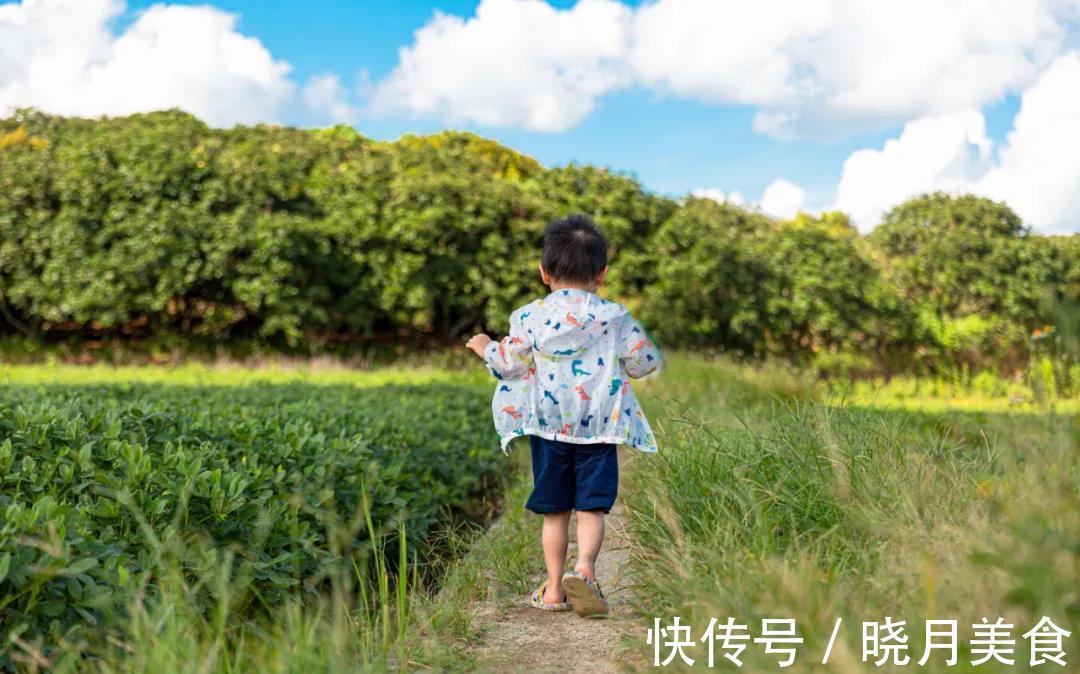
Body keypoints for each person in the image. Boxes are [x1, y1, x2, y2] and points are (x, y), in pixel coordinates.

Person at [465, 213, 662, 618]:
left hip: (549, 427)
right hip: (599, 426)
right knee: (591, 507)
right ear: (602, 274)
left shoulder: (528, 317)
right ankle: (586, 571)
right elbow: (644, 362)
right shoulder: (616, 316)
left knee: (555, 510)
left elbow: (510, 365)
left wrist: (484, 345)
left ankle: (554, 589)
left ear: (544, 272)